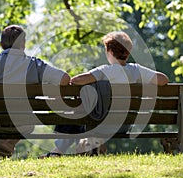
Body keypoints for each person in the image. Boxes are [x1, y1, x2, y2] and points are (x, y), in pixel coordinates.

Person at [40, 31, 169, 158]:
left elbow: (76, 80)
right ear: (128, 53)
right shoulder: (137, 70)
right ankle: (58, 151)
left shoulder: (105, 71)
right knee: (77, 115)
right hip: (124, 125)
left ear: (110, 52)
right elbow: (163, 79)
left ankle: (57, 151)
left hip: (100, 124)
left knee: (74, 115)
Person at [0, 25, 70, 159]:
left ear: (2, 43)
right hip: (22, 124)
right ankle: (1, 153)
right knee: (13, 135)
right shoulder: (35, 65)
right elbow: (65, 78)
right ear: (23, 43)